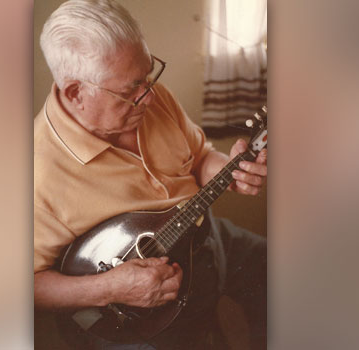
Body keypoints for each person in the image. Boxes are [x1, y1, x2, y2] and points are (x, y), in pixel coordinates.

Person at [34, 0, 267, 349]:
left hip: (205, 233)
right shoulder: (37, 172)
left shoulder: (151, 95)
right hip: (123, 311)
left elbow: (200, 156)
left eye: (148, 76)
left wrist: (230, 171)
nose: (148, 95)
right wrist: (110, 288)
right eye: (130, 90)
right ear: (76, 92)